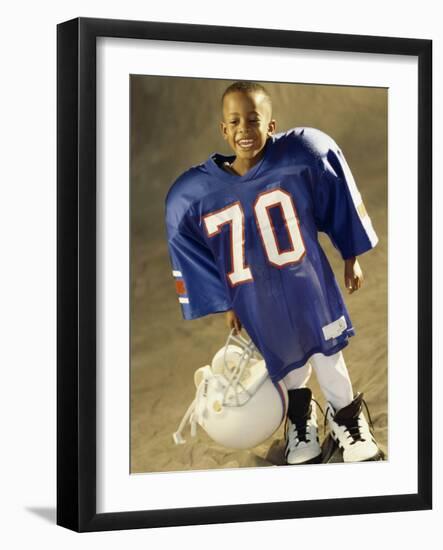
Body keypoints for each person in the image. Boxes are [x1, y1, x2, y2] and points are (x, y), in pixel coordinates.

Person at [165, 81, 383, 464]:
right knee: (287, 361)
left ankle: (346, 415)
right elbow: (197, 248)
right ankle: (303, 416)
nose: (244, 130)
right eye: (234, 121)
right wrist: (227, 299)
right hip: (256, 296)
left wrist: (352, 254)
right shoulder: (198, 193)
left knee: (328, 355)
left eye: (254, 119)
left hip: (309, 285)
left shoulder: (300, 156)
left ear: (272, 125)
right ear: (223, 129)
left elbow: (336, 199)